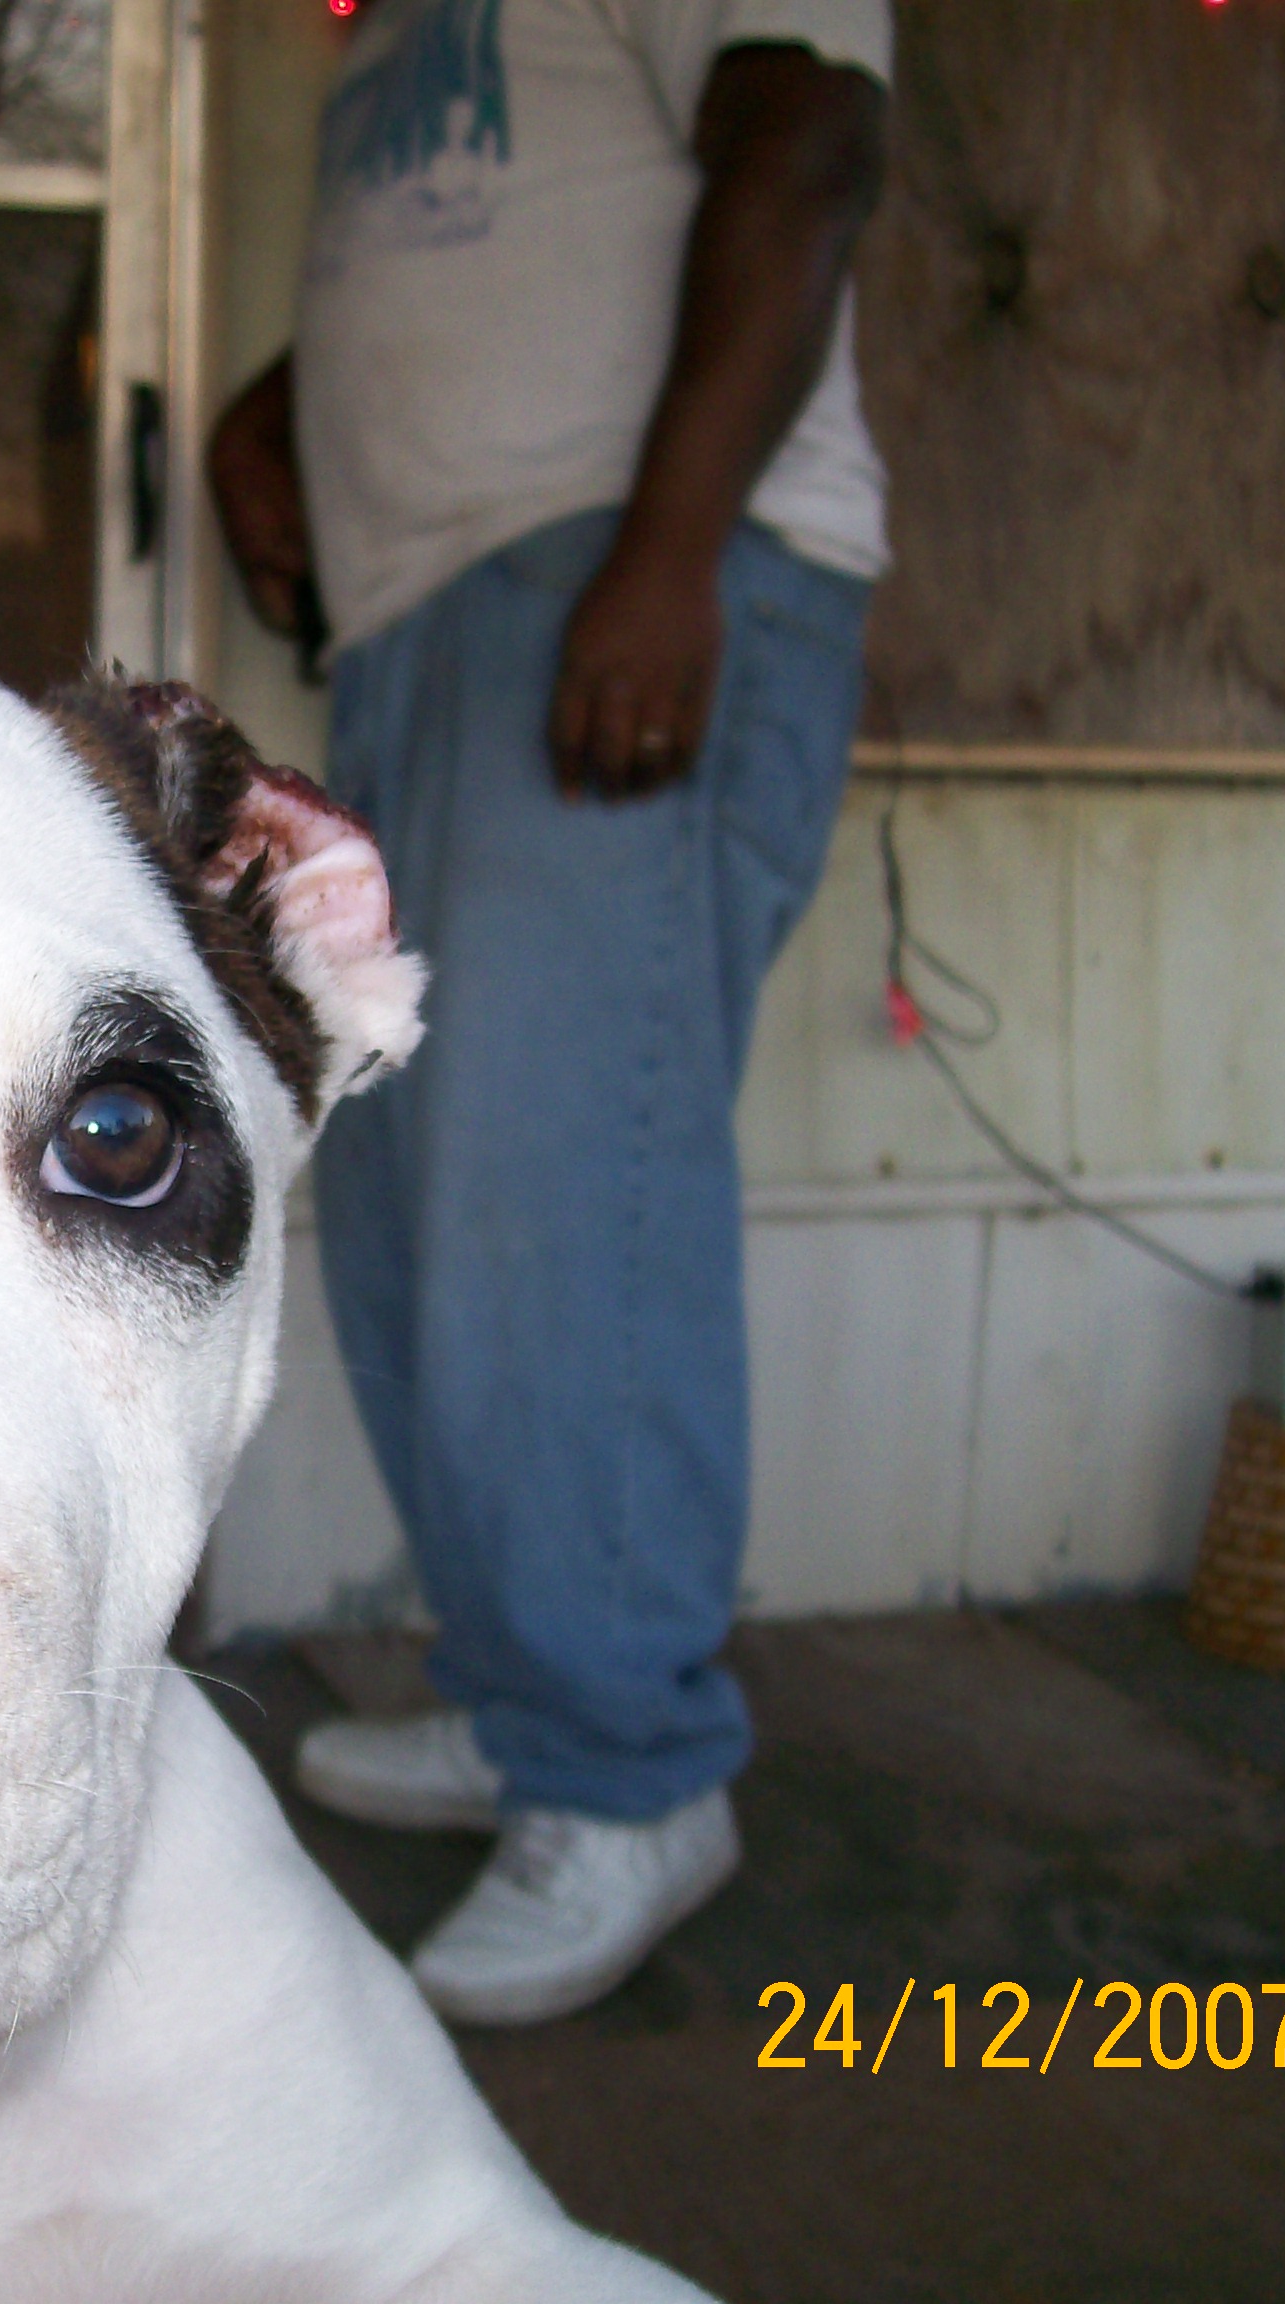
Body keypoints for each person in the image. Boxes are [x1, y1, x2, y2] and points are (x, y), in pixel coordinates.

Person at [208, 0, 891, 2026]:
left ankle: (628, 1769)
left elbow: (807, 152)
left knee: (562, 1196)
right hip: (437, 622)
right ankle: (530, 1704)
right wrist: (288, 410)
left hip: (628, 574)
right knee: (418, 1191)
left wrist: (668, 555)